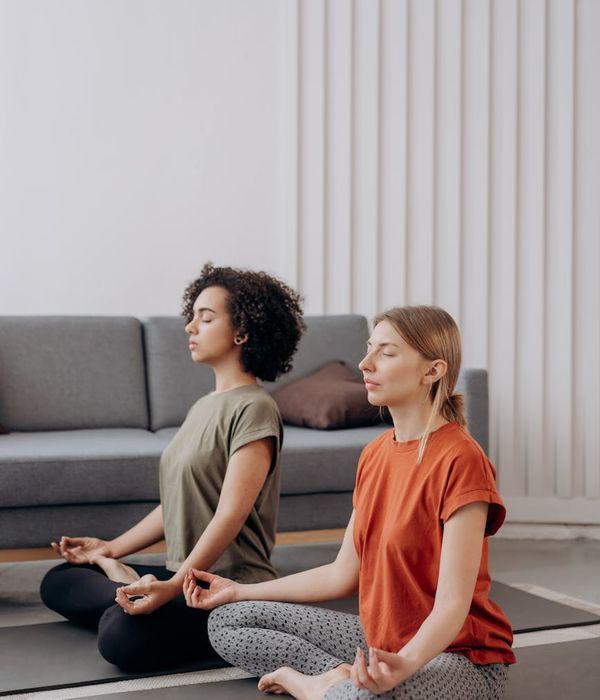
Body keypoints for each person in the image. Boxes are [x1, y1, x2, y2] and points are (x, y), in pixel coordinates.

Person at [183, 305, 516, 699]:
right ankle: (335, 678)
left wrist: (403, 667)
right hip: (380, 642)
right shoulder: (375, 454)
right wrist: (238, 590)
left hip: (460, 660)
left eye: (386, 353)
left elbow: (452, 606)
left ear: (433, 370)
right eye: (368, 349)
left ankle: (318, 686)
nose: (364, 364)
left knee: (360, 698)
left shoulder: (462, 459)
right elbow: (342, 574)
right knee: (227, 621)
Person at [40, 263, 304, 671]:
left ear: (243, 332)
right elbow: (177, 503)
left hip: (226, 583)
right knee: (58, 579)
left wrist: (176, 587)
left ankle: (138, 595)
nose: (190, 327)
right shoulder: (203, 407)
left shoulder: (255, 408)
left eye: (206, 316)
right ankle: (131, 587)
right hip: (181, 573)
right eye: (192, 315)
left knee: (119, 638)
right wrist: (109, 549)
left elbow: (230, 514)